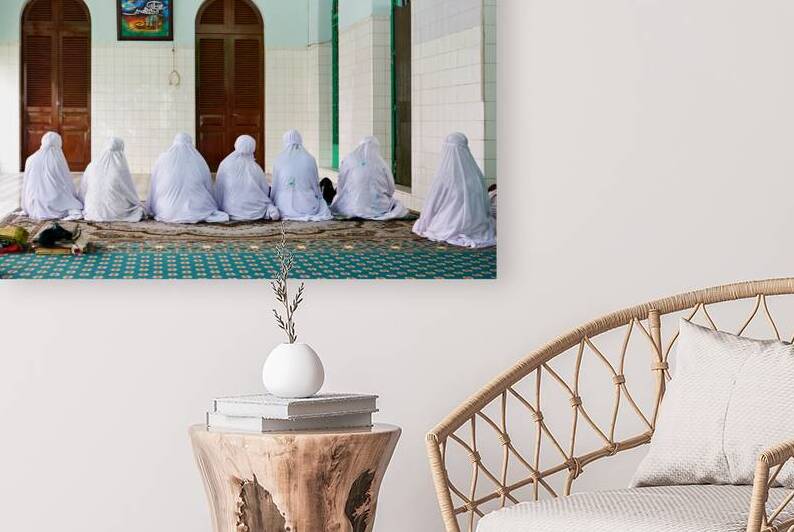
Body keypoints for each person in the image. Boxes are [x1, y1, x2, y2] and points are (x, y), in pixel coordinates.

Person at [412, 132, 496, 248]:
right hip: (477, 224)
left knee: (439, 222)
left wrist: (425, 222)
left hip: (448, 224)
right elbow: (485, 202)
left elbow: (433, 202)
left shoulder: (445, 175)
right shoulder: (476, 174)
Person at [147, 133, 229, 223]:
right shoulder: (198, 160)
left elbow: (154, 183)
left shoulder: (163, 158)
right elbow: (208, 185)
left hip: (167, 210)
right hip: (197, 208)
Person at [330, 136, 409, 220]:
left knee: (339, 200)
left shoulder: (349, 159)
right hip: (378, 207)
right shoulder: (381, 163)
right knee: (396, 204)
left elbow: (341, 182)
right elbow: (391, 188)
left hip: (351, 207)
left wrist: (342, 195)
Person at [270, 130, 333, 221]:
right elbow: (315, 184)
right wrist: (320, 198)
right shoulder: (310, 159)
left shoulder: (279, 159)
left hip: (283, 207)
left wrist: (271, 202)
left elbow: (275, 186)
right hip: (307, 206)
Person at [214, 135, 280, 221]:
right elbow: (265, 190)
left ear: (236, 144)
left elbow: (219, 187)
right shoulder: (256, 168)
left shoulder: (225, 164)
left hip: (229, 210)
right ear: (253, 147)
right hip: (254, 211)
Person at [79, 137, 144, 222]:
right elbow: (129, 192)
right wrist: (138, 204)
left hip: (92, 211)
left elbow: (83, 188)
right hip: (116, 212)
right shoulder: (120, 168)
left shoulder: (92, 164)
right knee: (136, 209)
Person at [21, 132, 83, 220]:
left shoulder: (30, 159)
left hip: (31, 205)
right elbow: (66, 183)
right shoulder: (57, 160)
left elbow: (25, 184)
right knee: (70, 201)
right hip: (51, 206)